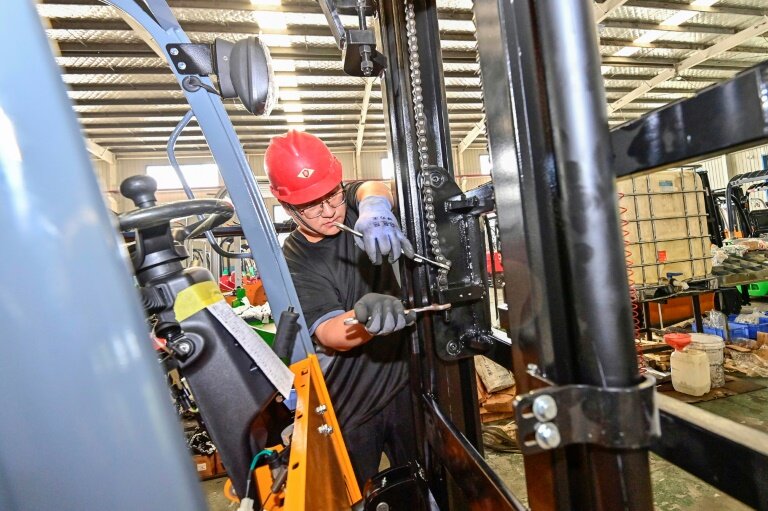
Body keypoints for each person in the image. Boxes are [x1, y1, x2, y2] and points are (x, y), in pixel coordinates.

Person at [264, 130, 417, 489]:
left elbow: (372, 187)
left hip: (405, 384)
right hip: (351, 400)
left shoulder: (347, 201)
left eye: (331, 195)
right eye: (310, 205)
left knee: (426, 487)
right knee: (352, 493)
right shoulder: (295, 258)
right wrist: (365, 317)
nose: (329, 210)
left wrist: (375, 207)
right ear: (287, 207)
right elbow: (331, 332)